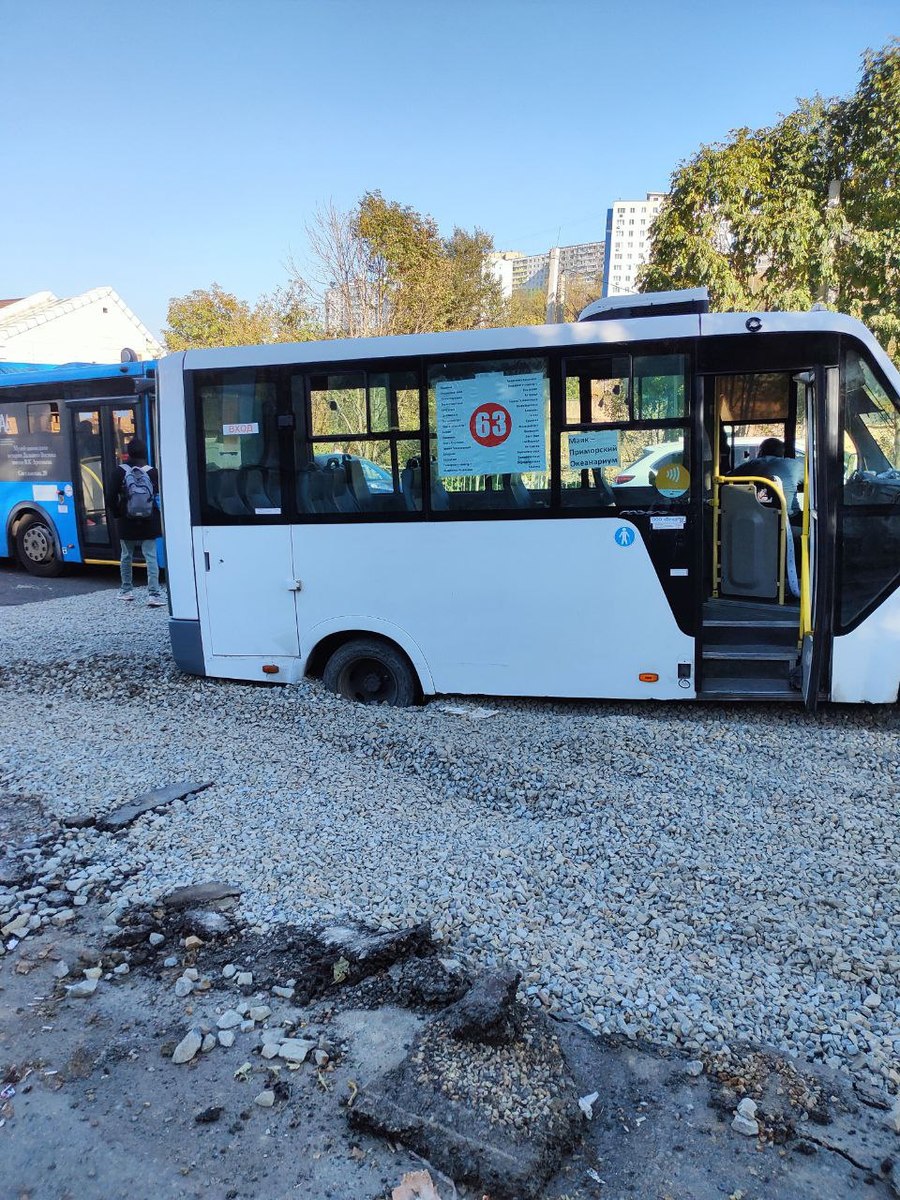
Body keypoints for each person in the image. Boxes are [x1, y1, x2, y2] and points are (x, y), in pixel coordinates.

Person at [107, 437, 163, 606]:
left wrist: (118, 513)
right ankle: (153, 594)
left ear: (128, 453)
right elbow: (158, 497)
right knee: (151, 556)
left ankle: (126, 590)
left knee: (126, 556)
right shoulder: (153, 472)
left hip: (127, 519)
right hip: (149, 519)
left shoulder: (119, 471)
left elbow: (110, 497)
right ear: (145, 453)